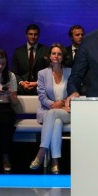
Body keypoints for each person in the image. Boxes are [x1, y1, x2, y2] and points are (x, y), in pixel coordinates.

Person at [30, 44, 71, 174]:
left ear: (63, 57)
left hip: (67, 111)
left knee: (54, 115)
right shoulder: (42, 73)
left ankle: (41, 152)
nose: (56, 56)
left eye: (59, 54)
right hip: (48, 111)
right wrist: (54, 104)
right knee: (56, 122)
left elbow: (74, 92)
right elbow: (42, 97)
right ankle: (55, 162)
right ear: (49, 56)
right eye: (54, 53)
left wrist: (64, 103)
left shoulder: (70, 72)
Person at [11, 24, 48, 95]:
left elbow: (49, 71)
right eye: (30, 34)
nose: (33, 37)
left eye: (35, 34)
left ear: (39, 35)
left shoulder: (46, 50)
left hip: (40, 86)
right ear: (26, 35)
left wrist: (36, 83)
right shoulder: (18, 51)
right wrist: (22, 83)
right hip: (21, 87)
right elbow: (14, 72)